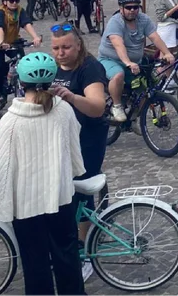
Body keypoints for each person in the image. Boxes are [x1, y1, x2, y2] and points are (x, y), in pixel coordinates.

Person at [0, 52, 87, 296]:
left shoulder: (11, 120)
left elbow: (1, 163)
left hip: (25, 204)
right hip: (60, 198)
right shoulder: (63, 111)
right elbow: (74, 152)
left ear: (21, 82)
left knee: (35, 263)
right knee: (67, 256)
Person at [48, 24, 109, 274]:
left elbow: (97, 106)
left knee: (82, 191)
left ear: (78, 45)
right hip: (62, 136)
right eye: (56, 48)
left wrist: (71, 97)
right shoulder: (53, 67)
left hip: (89, 135)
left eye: (66, 47)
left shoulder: (89, 68)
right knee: (65, 190)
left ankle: (84, 250)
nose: (60, 53)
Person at [97, 0, 175, 122]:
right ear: (121, 8)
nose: (132, 10)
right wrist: (128, 62)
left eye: (135, 7)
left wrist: (167, 53)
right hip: (110, 59)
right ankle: (116, 106)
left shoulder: (143, 19)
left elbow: (155, 37)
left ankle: (133, 118)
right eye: (128, 7)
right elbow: (118, 44)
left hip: (135, 61)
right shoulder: (115, 22)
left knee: (147, 87)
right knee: (118, 75)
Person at [0, 0, 42, 101]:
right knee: (0, 67)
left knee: (23, 62)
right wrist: (1, 42)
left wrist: (35, 37)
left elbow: (26, 23)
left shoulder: (19, 11)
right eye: (11, 1)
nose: (14, 3)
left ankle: (22, 84)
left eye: (17, 0)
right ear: (5, 2)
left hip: (11, 42)